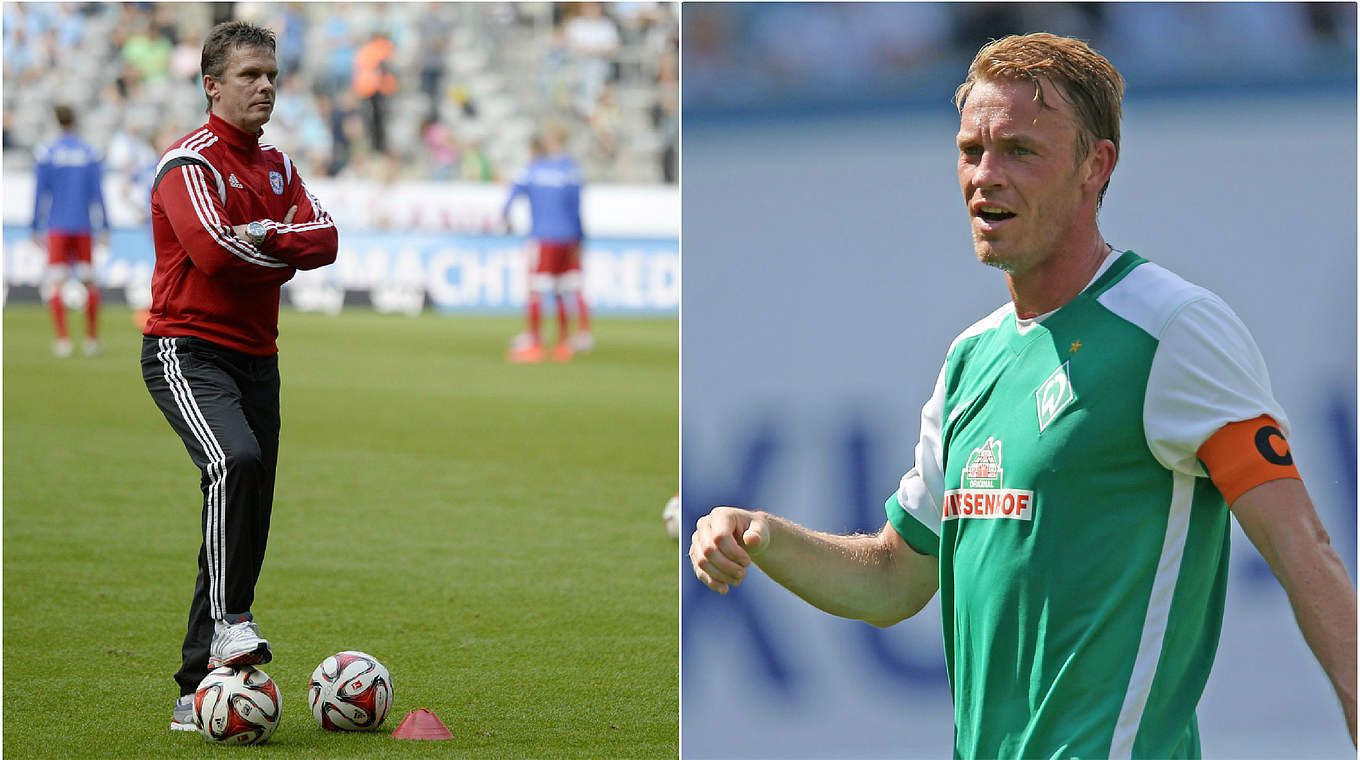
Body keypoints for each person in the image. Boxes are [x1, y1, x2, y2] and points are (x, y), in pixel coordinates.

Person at [688, 33, 1356, 758]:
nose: (985, 176)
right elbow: (892, 581)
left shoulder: (1172, 328)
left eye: (1020, 151)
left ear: (1094, 167)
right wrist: (761, 532)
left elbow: (1304, 552)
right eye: (971, 150)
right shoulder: (971, 357)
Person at [139, 20, 337, 734]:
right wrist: (280, 244)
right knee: (235, 463)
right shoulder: (186, 165)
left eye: (273, 76)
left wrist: (265, 236)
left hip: (260, 359)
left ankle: (196, 692)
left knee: (242, 514)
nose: (265, 87)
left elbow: (329, 238)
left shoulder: (278, 166)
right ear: (212, 85)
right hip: (185, 350)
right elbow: (215, 255)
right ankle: (232, 624)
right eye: (250, 75)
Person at [503, 124, 590, 364]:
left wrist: (505, 215)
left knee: (536, 291)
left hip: (543, 238)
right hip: (568, 238)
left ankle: (535, 344)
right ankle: (563, 345)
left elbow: (512, 195)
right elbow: (577, 208)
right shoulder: (571, 171)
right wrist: (580, 238)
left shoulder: (534, 170)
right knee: (562, 290)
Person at [31, 104, 108, 357]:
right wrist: (105, 224)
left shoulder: (47, 153)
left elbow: (40, 193)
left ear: (56, 121)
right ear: (75, 120)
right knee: (89, 282)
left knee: (57, 282)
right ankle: (91, 339)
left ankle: (63, 340)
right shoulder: (88, 152)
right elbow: (98, 192)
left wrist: (34, 225)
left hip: (57, 225)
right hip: (84, 225)